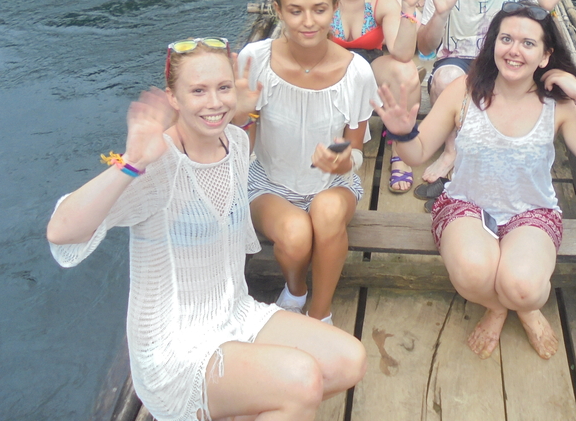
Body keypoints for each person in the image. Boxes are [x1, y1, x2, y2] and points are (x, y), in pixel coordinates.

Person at [47, 38, 366, 421]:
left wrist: (248, 117)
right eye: (198, 91)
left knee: (350, 361)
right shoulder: (157, 164)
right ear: (173, 98)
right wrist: (131, 162)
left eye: (223, 88)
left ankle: (230, 405)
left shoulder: (233, 141)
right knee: (302, 381)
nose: (214, 102)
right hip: (176, 346)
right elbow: (61, 231)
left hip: (234, 314)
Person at [373, 1, 576, 360]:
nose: (514, 50)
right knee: (474, 275)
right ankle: (497, 308)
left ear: (544, 55)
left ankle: (523, 307)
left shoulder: (558, 104)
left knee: (524, 288)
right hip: (465, 203)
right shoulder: (465, 88)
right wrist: (403, 132)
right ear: (493, 44)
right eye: (506, 38)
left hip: (531, 212)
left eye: (528, 43)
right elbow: (418, 152)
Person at [237, 0, 379, 324]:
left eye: (318, 9)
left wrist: (342, 162)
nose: (308, 22)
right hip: (269, 180)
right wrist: (239, 116)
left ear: (334, 8)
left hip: (332, 183)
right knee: (295, 233)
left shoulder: (358, 71)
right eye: (295, 11)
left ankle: (320, 313)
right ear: (279, 11)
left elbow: (356, 149)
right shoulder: (254, 59)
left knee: (327, 212)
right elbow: (244, 137)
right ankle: (296, 288)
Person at [415, 0, 575, 191]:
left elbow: (536, 42)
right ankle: (454, 151)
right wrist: (440, 14)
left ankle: (510, 148)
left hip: (504, 59)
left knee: (529, 77)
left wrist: (545, 11)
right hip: (459, 60)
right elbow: (425, 48)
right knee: (443, 78)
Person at [324, 0, 436, 192]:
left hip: (369, 66)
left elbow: (401, 52)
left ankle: (400, 149)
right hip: (327, 68)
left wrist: (408, 8)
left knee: (407, 72)